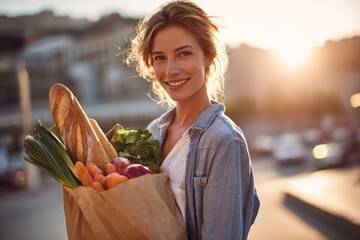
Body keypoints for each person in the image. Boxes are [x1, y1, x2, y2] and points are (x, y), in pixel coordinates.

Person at [126, 1, 260, 239]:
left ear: (208, 56)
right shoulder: (152, 132)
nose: (171, 70)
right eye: (159, 58)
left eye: (184, 53)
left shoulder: (225, 142)